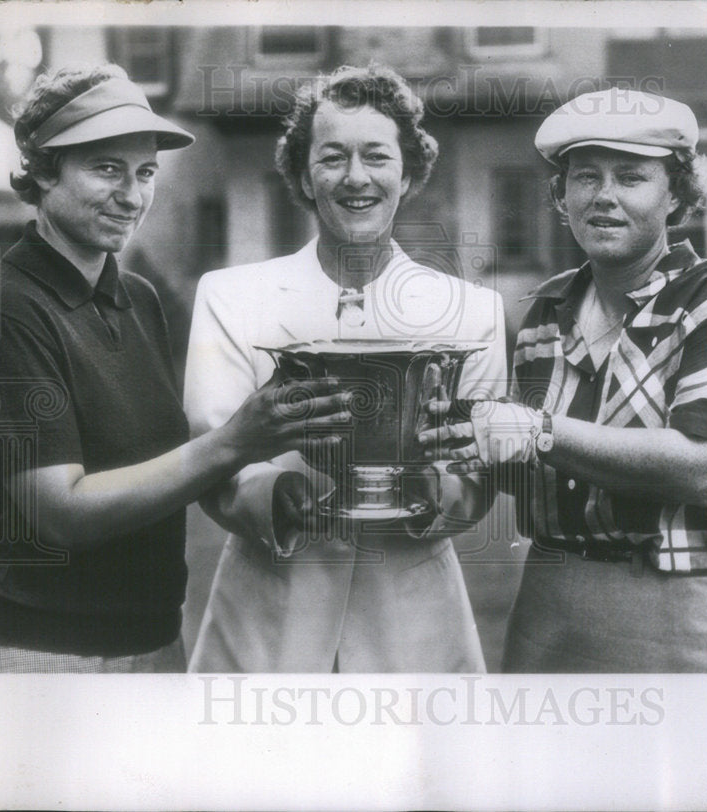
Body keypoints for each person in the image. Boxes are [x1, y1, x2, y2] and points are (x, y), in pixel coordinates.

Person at [0, 65, 349, 673]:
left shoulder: (138, 297)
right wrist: (234, 441)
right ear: (40, 169)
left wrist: (273, 466)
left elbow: (165, 466)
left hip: (154, 640)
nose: (132, 196)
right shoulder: (6, 306)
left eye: (145, 173)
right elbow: (63, 512)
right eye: (106, 168)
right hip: (44, 653)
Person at [420, 88, 707, 673]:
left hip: (683, 607)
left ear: (676, 193)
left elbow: (706, 468)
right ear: (561, 195)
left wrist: (536, 430)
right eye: (584, 177)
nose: (603, 196)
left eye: (630, 177)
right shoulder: (547, 310)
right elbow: (531, 472)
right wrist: (458, 436)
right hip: (551, 603)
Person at [184, 64, 508, 672]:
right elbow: (211, 454)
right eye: (332, 157)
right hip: (268, 615)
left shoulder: (473, 311)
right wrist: (276, 494)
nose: (356, 178)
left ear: (408, 174)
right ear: (304, 177)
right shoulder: (231, 297)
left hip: (413, 627)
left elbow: (480, 470)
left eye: (378, 157)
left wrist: (437, 491)